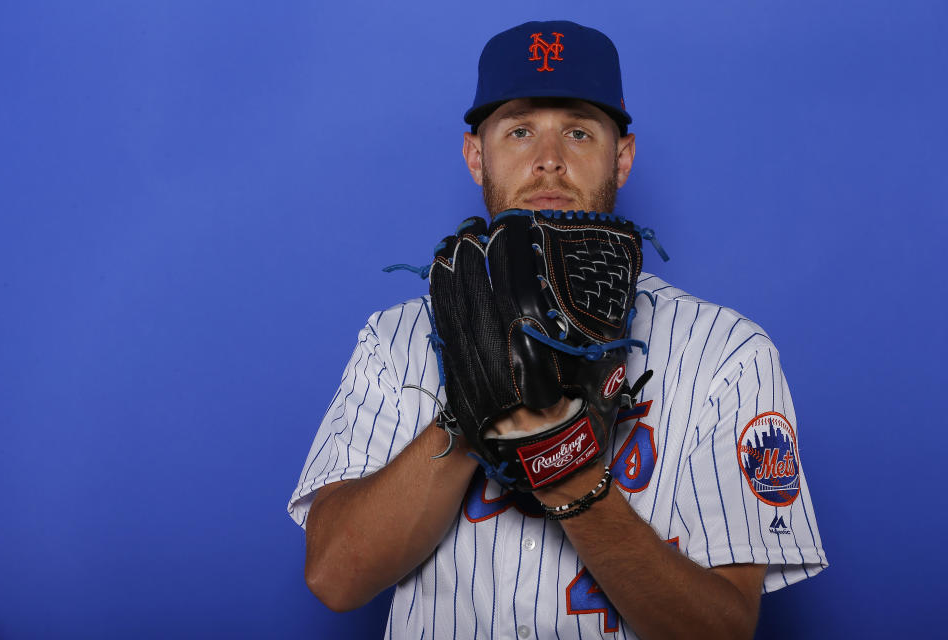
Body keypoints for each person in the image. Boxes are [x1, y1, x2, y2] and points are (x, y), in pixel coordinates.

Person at [289, 20, 827, 639]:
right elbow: (334, 576)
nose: (549, 160)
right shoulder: (396, 338)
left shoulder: (729, 353)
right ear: (475, 155)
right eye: (520, 131)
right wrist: (471, 413)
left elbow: (723, 631)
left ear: (620, 158)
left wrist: (567, 470)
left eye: (577, 131)